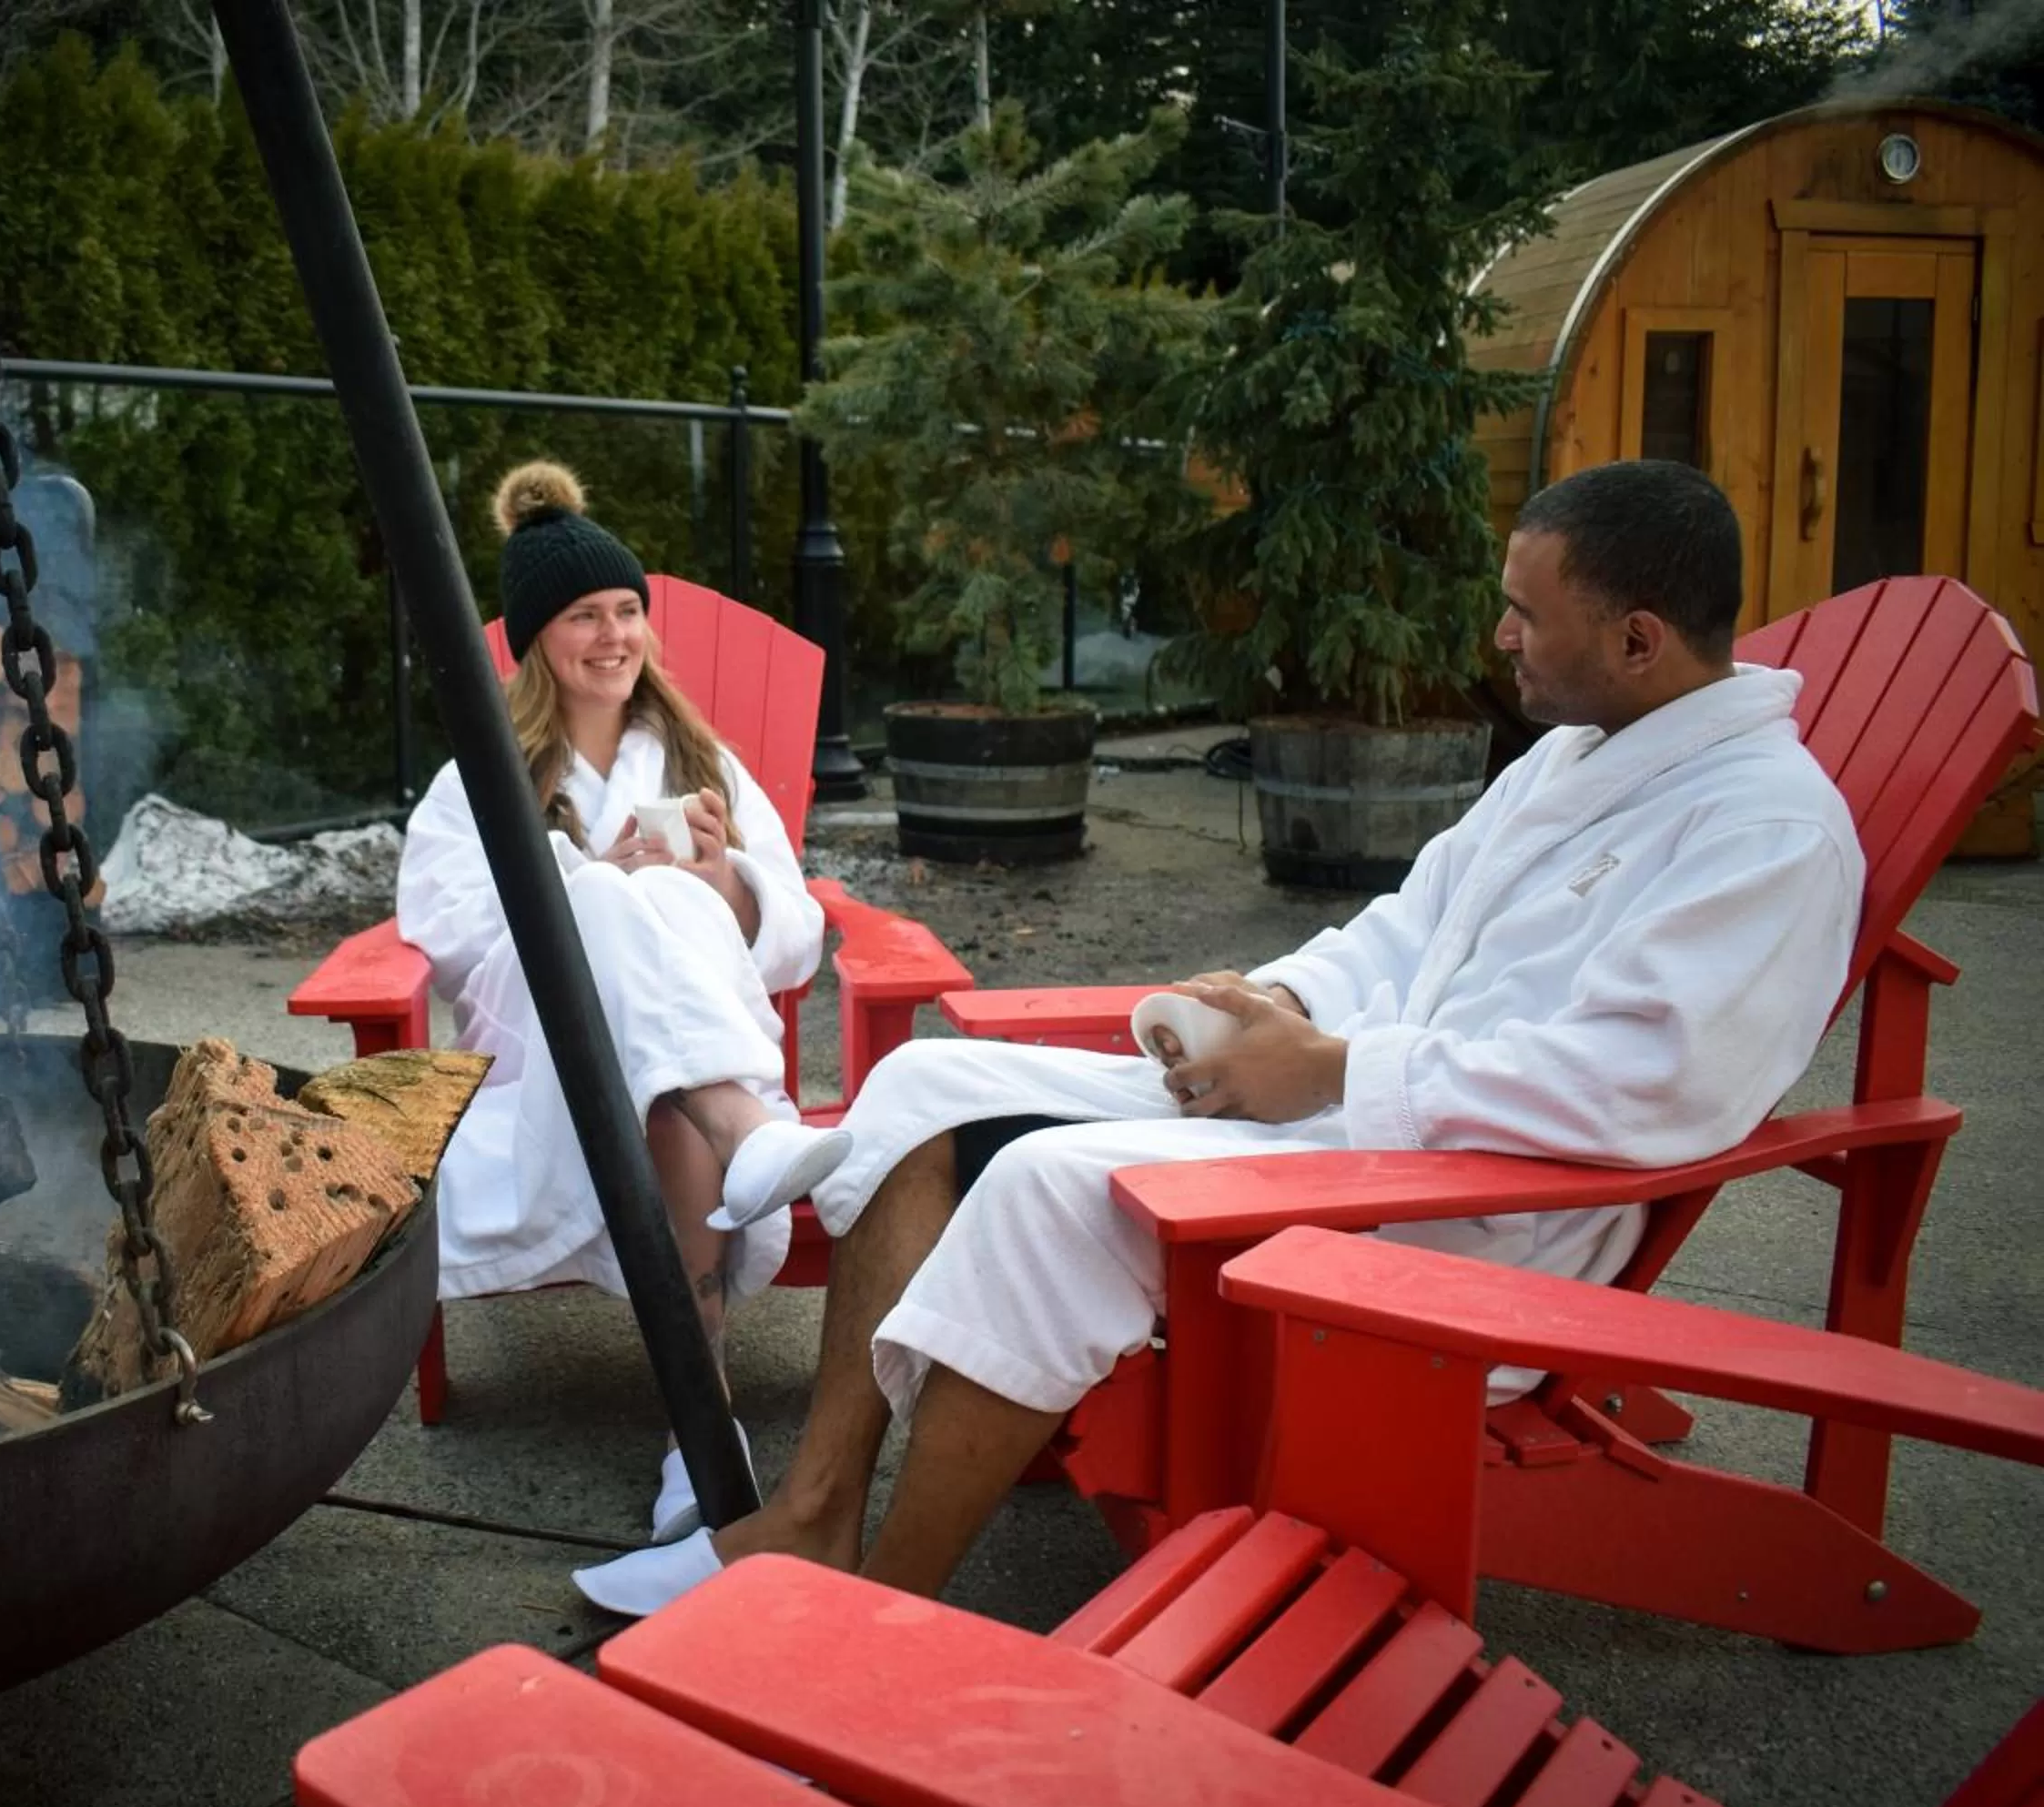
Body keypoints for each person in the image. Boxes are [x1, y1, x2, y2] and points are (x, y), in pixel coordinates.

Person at [573, 459, 1864, 1615]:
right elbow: (1408, 928)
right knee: (925, 1081)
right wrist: (1280, 1007)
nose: (1501, 635)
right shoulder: (1576, 757)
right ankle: (812, 1513)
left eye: (1529, 612)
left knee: (1037, 1185)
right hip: (1359, 1122)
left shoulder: (1767, 834)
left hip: (1480, 1217)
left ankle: (878, 1623)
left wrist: (1342, 1072)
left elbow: (1650, 1086)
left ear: (1638, 639)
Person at [398, 459, 852, 1543]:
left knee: (661, 1020)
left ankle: (705, 1431)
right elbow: (450, 931)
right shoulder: (480, 776)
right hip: (551, 1059)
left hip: (660, 1066)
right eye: (584, 616)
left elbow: (792, 929)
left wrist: (721, 883)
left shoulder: (704, 762)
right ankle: (743, 1135)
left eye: (629, 609)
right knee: (601, 893)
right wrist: (592, 877)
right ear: (532, 639)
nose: (615, 634)